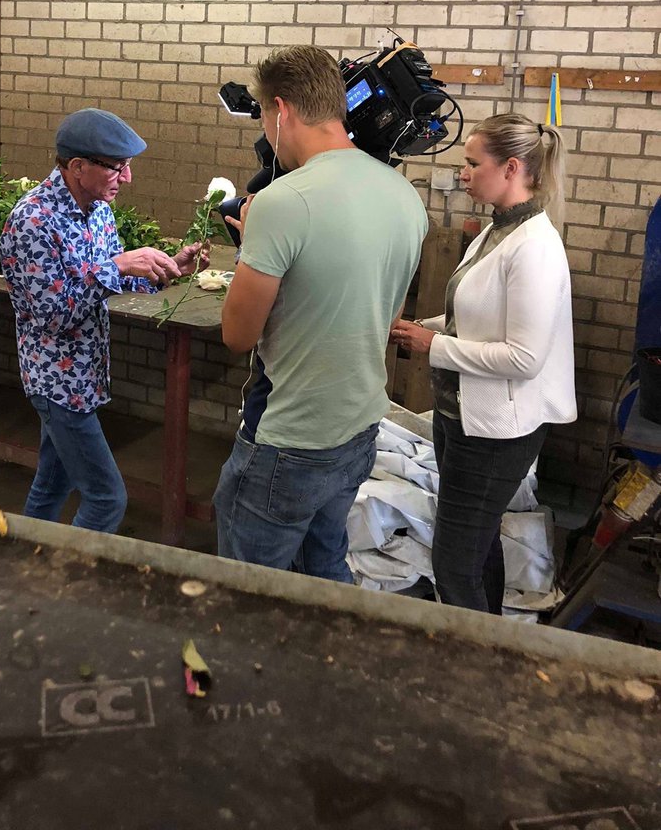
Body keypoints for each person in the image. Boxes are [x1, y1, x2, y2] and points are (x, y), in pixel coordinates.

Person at [214, 44, 429, 583]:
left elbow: (238, 335)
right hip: (358, 427)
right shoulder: (404, 196)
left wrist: (255, 251)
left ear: (281, 111)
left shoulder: (282, 202)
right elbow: (381, 311)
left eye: (263, 114)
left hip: (290, 438)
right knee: (323, 562)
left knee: (247, 586)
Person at [391, 113, 576, 614]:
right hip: (461, 417)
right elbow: (475, 319)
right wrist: (419, 326)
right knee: (475, 547)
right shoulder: (493, 234)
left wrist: (433, 346)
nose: (463, 173)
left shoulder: (534, 247)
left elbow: (524, 357)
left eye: (473, 163)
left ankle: (471, 666)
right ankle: (489, 635)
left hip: (495, 433)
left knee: (453, 562)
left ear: (512, 167)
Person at [0, 107, 206, 533]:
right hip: (57, 384)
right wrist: (118, 264)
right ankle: (68, 586)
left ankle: (23, 560)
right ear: (78, 167)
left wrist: (171, 270)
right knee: (107, 498)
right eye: (117, 168)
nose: (126, 178)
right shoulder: (33, 222)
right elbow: (52, 316)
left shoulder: (98, 211)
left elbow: (108, 285)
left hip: (87, 376)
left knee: (51, 485)